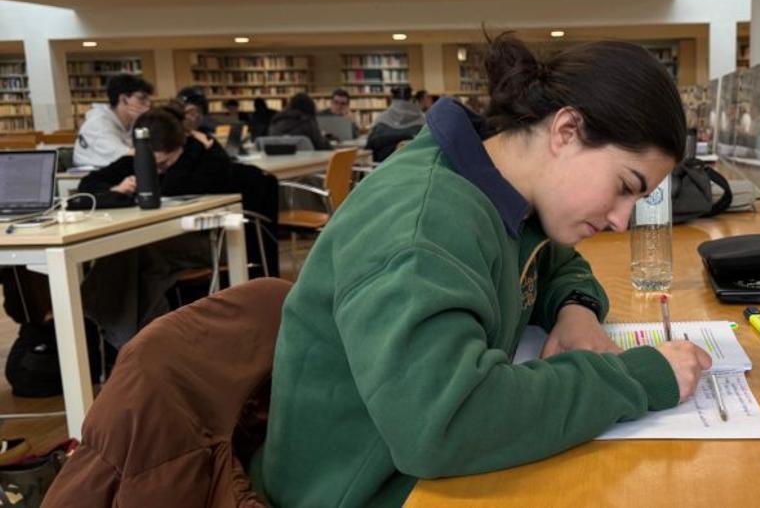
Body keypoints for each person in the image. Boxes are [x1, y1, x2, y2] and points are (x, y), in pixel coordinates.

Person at [254, 32, 711, 506]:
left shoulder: (507, 190)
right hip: (362, 492)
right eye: (624, 186)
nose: (621, 220)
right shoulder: (423, 225)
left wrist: (575, 310)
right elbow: (444, 424)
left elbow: (556, 263)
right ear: (566, 131)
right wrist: (637, 378)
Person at [77, 107, 279, 346]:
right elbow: (86, 185)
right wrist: (116, 189)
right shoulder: (138, 160)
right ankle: (143, 340)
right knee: (133, 255)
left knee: (143, 255)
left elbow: (173, 187)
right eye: (151, 163)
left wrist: (194, 147)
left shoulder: (206, 161)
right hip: (169, 238)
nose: (159, 169)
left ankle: (117, 328)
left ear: (180, 146)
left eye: (164, 162)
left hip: (217, 239)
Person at [73, 74, 154, 168]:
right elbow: (127, 155)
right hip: (89, 177)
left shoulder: (132, 121)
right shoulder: (98, 124)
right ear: (123, 99)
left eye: (148, 99)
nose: (148, 104)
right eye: (141, 98)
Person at [365, 84, 424, 162]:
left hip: (384, 169)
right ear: (411, 99)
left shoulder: (381, 121)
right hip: (416, 169)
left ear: (392, 99)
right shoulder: (422, 121)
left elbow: (368, 149)